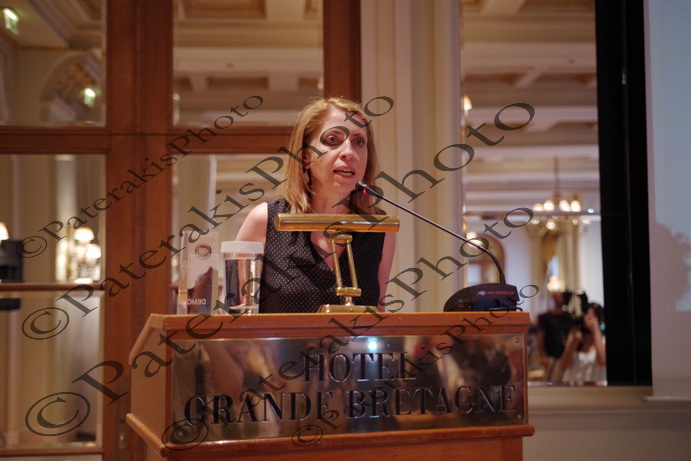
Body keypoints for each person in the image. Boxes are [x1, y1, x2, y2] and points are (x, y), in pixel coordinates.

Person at [235, 97, 397, 313]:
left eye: (359, 142)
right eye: (333, 139)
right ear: (305, 156)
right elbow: (234, 315)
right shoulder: (265, 220)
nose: (349, 152)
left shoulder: (379, 227)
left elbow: (378, 314)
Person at [559, 302, 606, 384]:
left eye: (592, 318)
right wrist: (573, 342)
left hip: (594, 388)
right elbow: (563, 365)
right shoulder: (575, 337)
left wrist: (596, 331)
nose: (588, 321)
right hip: (573, 388)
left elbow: (602, 361)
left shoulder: (602, 340)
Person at [536, 290, 574, 382]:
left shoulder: (569, 317)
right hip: (551, 356)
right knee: (551, 381)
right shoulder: (545, 317)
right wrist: (543, 355)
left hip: (565, 355)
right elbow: (540, 337)